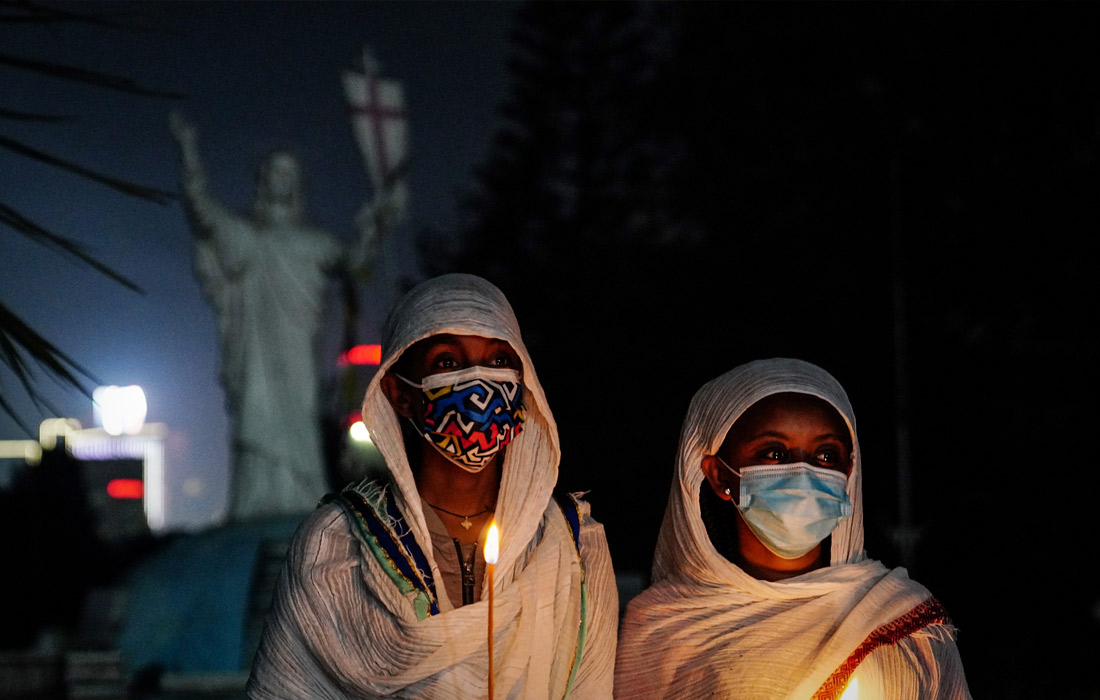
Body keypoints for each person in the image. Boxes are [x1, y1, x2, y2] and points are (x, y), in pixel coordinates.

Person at [247, 273, 618, 699]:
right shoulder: (336, 548)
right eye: (447, 362)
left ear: (523, 385)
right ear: (399, 394)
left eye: (499, 361)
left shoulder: (574, 550)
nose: (480, 381)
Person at [615, 358, 971, 699]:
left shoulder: (903, 618)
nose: (803, 471)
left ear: (848, 472)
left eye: (826, 456)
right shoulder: (666, 627)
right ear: (720, 475)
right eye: (775, 453)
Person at [169, 111, 380, 520]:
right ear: (262, 180)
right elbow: (201, 210)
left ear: (297, 183)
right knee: (255, 412)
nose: (281, 179)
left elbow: (353, 263)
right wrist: (189, 150)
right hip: (255, 349)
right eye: (274, 172)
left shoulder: (314, 241)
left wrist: (374, 223)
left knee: (300, 415)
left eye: (289, 173)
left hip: (298, 347)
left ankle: (303, 498)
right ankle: (255, 504)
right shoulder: (246, 235)